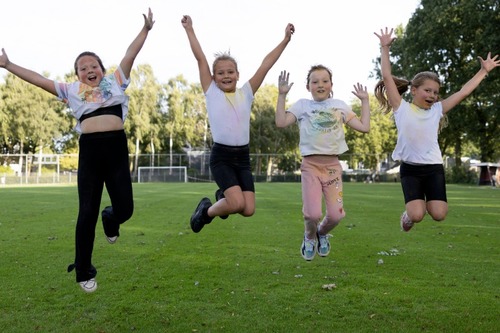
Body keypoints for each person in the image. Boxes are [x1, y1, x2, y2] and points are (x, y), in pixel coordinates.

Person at [0, 9, 155, 292]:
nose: (89, 70)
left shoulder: (116, 81)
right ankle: (83, 270)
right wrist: (8, 65)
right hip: (91, 153)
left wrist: (145, 30)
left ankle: (111, 220)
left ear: (102, 69)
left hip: (117, 149)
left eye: (93, 65)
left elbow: (130, 54)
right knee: (86, 211)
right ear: (76, 75)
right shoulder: (71, 90)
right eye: (83, 68)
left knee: (125, 209)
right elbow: (37, 79)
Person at [374, 27, 500, 232]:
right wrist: (385, 48)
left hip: (433, 168)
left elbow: (463, 92)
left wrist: (483, 71)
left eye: (435, 92)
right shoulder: (401, 108)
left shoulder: (437, 110)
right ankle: (408, 215)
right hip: (411, 169)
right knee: (417, 215)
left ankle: (420, 208)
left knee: (439, 214)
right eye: (427, 90)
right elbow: (387, 76)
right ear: (414, 90)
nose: (432, 95)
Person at [181, 15, 295, 233]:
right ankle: (205, 211)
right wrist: (190, 29)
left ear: (237, 75)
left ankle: (221, 198)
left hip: (242, 157)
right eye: (221, 73)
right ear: (213, 78)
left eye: (230, 72)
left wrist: (285, 40)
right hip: (222, 157)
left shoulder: (247, 93)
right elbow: (201, 59)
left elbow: (266, 65)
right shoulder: (212, 92)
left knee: (248, 209)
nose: (226, 76)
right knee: (236, 204)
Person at [275, 67, 370, 260]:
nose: (320, 85)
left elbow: (365, 127)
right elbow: (281, 122)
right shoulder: (302, 106)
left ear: (331, 85)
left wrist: (365, 101)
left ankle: (322, 233)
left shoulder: (339, 105)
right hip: (310, 167)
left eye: (325, 81)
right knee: (312, 214)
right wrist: (282, 95)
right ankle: (309, 236)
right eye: (315, 81)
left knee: (336, 216)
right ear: (308, 86)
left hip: (333, 168)